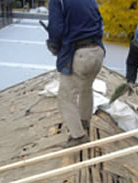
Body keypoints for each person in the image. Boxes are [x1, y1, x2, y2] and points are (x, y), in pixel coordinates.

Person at [47, 0, 105, 147]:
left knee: (66, 97)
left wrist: (54, 45)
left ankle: (78, 136)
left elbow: (56, 28)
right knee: (86, 89)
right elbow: (99, 21)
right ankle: (84, 121)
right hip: (97, 52)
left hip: (79, 54)